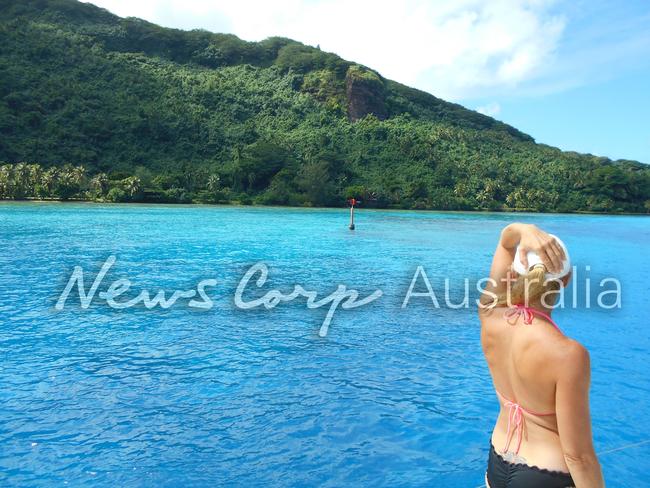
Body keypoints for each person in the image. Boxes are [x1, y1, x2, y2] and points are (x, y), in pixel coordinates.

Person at [479, 223, 604, 488]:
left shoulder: (489, 313)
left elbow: (505, 243)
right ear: (566, 280)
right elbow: (578, 456)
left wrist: (523, 230)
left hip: (497, 461)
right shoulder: (568, 354)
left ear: (514, 273)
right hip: (545, 474)